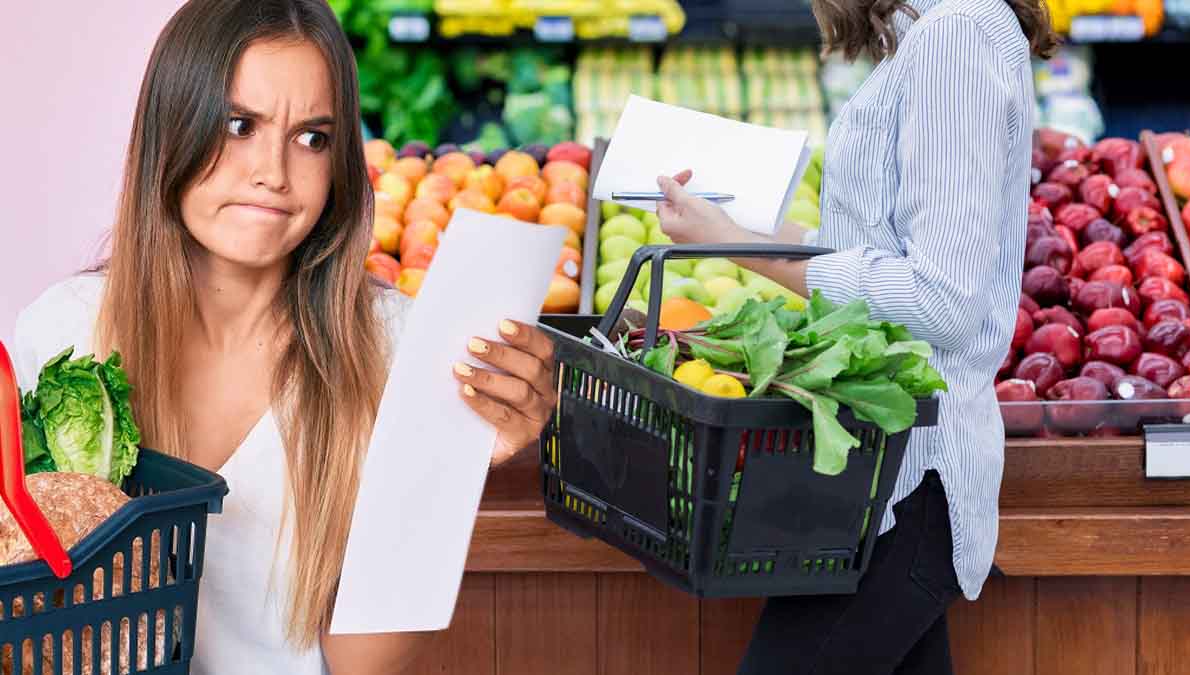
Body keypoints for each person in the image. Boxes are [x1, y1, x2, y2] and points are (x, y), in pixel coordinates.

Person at [12, 1, 557, 673]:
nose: (273, 170)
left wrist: (452, 460)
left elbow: (360, 663)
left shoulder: (392, 345)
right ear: (171, 126)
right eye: (239, 125)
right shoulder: (63, 335)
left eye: (312, 138)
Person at [654, 0, 1058, 673]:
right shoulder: (935, 36)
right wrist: (727, 228)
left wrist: (739, 249)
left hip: (910, 477)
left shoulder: (955, 37)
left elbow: (943, 298)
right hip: (875, 474)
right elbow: (872, 254)